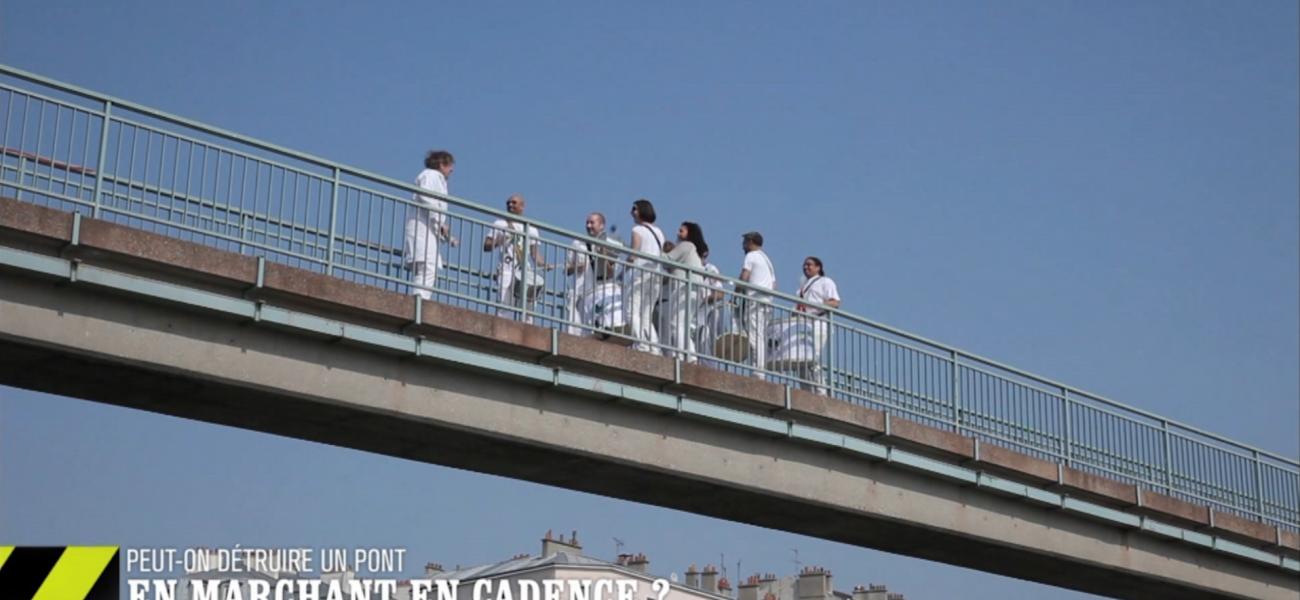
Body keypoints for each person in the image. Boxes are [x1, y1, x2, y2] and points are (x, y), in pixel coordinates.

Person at [483, 194, 547, 322]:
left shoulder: (531, 228)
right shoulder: (500, 223)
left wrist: (544, 264)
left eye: (514, 203)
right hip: (506, 269)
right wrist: (501, 240)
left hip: (524, 271)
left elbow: (534, 253)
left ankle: (528, 332)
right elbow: (486, 246)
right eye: (508, 203)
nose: (510, 205)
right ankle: (503, 330)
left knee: (528, 306)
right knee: (504, 304)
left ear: (522, 206)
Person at [404, 150, 458, 300]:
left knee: (428, 267)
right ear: (441, 164)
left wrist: (447, 235)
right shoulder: (430, 175)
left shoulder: (437, 179)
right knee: (427, 267)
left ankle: (420, 299)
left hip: (428, 229)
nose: (451, 170)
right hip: (422, 229)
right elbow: (425, 196)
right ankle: (419, 302)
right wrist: (440, 222)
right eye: (449, 166)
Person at [565, 212, 622, 336]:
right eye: (587, 222)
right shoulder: (577, 243)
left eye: (592, 222)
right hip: (582, 293)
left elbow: (611, 273)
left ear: (602, 225)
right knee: (580, 331)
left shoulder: (612, 244)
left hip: (602, 291)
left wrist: (604, 256)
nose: (588, 225)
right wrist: (576, 267)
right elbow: (566, 270)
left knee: (602, 325)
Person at [659, 222, 707, 361]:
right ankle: (688, 355)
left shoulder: (687, 246)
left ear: (689, 233)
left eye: (681, 231)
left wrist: (653, 250)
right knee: (682, 324)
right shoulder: (694, 250)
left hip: (685, 288)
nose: (678, 233)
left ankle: (685, 356)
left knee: (676, 323)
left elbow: (667, 259)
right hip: (693, 290)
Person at [795, 256, 841, 394]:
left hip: (818, 323)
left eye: (809, 265)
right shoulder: (801, 290)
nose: (806, 267)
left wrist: (815, 307)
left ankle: (820, 391)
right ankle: (806, 391)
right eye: (804, 265)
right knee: (799, 358)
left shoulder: (825, 282)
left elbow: (835, 302)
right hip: (803, 324)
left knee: (812, 356)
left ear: (818, 267)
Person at [624, 199, 665, 354]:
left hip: (640, 273)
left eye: (634, 209)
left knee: (632, 311)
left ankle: (640, 343)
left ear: (641, 211)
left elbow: (634, 254)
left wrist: (624, 266)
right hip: (656, 274)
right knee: (646, 314)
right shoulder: (659, 232)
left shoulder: (637, 230)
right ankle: (654, 347)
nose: (632, 212)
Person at [738, 231, 776, 378]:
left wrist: (736, 291)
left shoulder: (751, 256)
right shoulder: (767, 260)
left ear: (750, 242)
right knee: (761, 334)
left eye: (744, 242)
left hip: (754, 300)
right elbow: (774, 284)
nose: (743, 246)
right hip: (767, 301)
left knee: (754, 334)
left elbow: (744, 276)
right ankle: (760, 369)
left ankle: (758, 370)